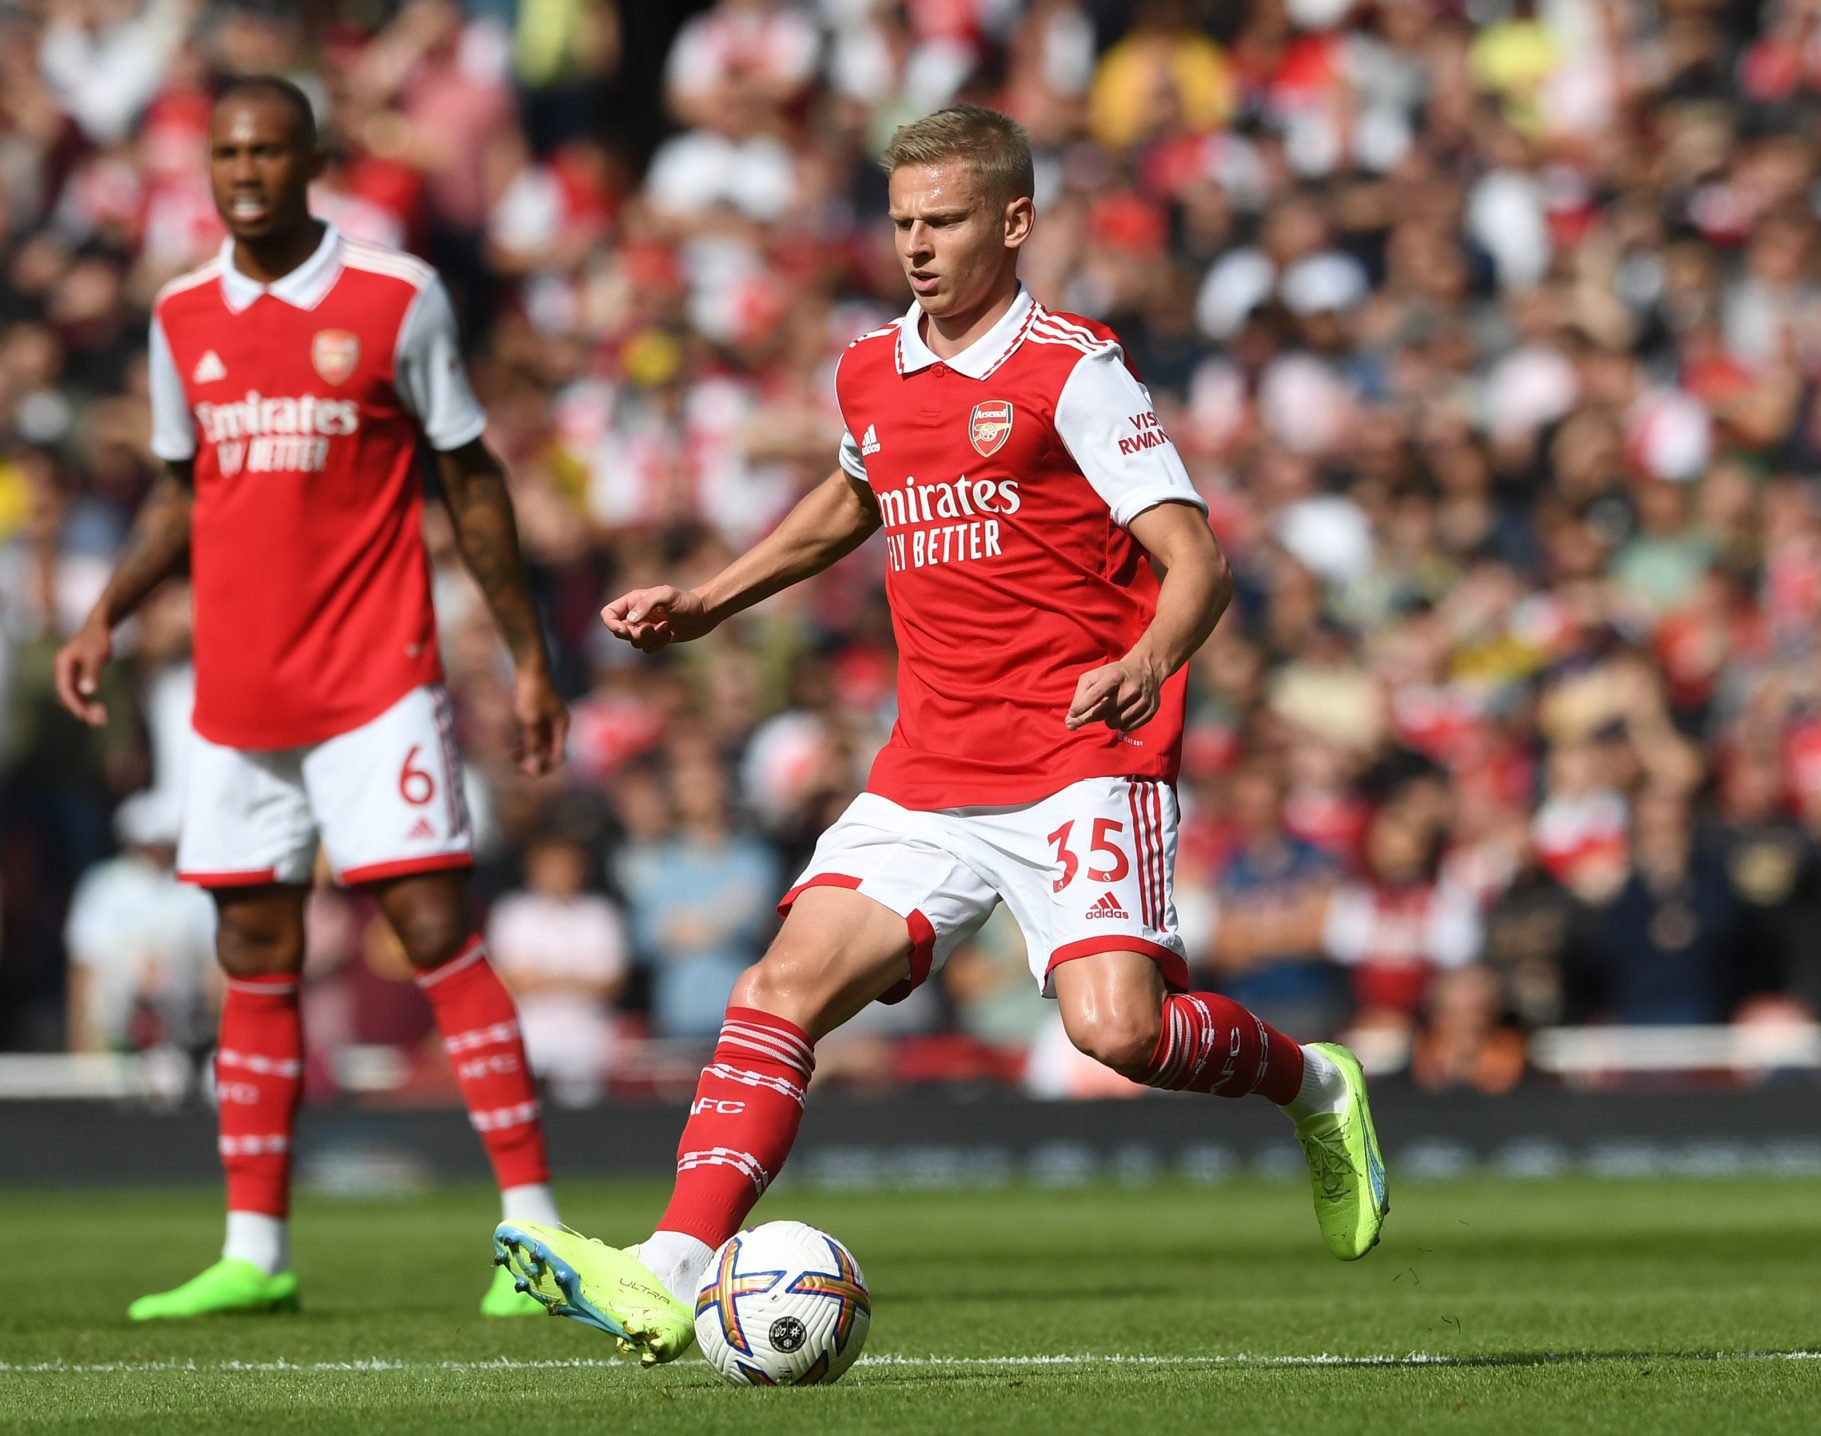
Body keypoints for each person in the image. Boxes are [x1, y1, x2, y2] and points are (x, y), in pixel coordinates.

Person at [492, 105, 1388, 1366]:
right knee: (780, 986)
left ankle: (1316, 1084)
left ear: (1014, 223)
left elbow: (1198, 557)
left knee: (1117, 1030)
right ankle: (667, 1268)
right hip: (929, 766)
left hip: (1082, 755)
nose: (917, 245)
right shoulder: (870, 366)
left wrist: (1145, 660)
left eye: (946, 220)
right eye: (904, 220)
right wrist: (713, 594)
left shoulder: (1074, 369)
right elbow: (855, 495)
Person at [53, 76, 570, 1321]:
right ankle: (255, 1247)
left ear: (312, 160)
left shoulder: (397, 295)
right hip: (236, 690)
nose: (245, 171)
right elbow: (183, 488)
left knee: (434, 924)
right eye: (227, 151)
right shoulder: (181, 315)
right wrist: (108, 608)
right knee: (252, 951)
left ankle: (534, 1229)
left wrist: (526, 651)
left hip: (375, 674)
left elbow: (469, 472)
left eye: (269, 151)